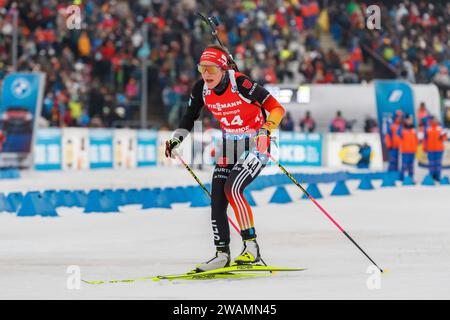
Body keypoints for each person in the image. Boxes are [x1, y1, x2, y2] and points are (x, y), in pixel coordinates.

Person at [164, 44, 286, 271]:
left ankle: (251, 248)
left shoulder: (241, 83)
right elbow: (189, 117)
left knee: (233, 188)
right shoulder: (201, 88)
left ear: (222, 68)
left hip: (256, 143)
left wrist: (266, 129)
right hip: (230, 145)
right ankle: (222, 253)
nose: (206, 74)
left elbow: (276, 108)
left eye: (211, 69)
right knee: (217, 197)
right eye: (202, 68)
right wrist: (176, 140)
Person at [423, 116, 447, 181]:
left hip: (439, 149)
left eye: (436, 119)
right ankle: (431, 177)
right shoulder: (427, 129)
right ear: (431, 120)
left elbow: (445, 138)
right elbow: (425, 139)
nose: (435, 120)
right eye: (433, 119)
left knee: (438, 164)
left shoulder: (440, 128)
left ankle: (438, 177)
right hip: (430, 149)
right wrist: (424, 147)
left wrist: (442, 137)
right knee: (431, 164)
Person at [398, 116, 419, 181]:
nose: (410, 121)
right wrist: (402, 124)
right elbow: (398, 133)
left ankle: (411, 178)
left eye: (411, 120)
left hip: (412, 151)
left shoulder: (414, 130)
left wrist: (416, 147)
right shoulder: (402, 129)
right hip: (405, 151)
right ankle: (401, 178)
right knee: (404, 165)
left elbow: (416, 139)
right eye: (408, 120)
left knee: (411, 166)